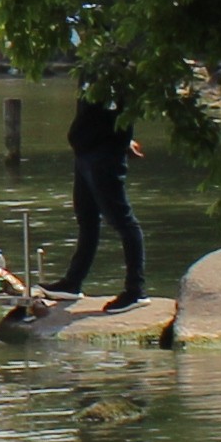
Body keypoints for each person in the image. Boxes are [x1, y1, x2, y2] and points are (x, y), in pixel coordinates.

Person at [58, 79, 149, 309]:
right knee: (87, 219)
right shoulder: (89, 67)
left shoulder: (113, 70)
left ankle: (136, 290)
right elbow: (95, 111)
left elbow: (121, 106)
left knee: (122, 220)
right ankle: (72, 283)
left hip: (104, 155)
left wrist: (123, 139)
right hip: (85, 152)